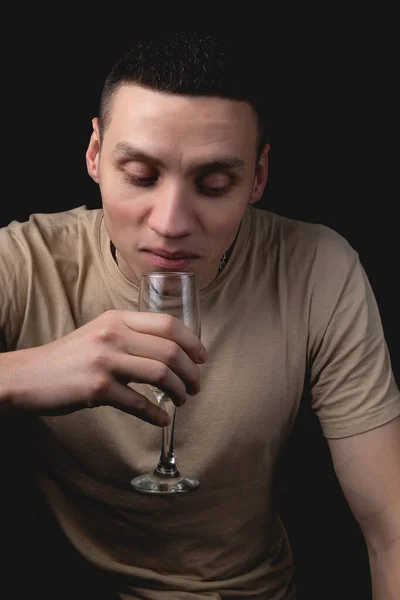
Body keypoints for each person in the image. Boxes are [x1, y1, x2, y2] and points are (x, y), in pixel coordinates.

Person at [0, 32, 399, 600]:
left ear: (258, 178)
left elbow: (392, 529)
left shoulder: (318, 267)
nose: (171, 221)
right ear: (94, 154)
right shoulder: (24, 261)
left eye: (214, 185)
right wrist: (23, 373)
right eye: (140, 175)